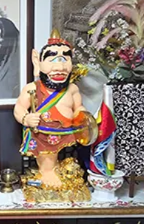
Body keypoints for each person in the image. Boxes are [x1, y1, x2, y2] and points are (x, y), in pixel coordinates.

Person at [13, 29, 94, 187]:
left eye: (65, 59)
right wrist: (26, 118)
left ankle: (60, 171)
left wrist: (82, 116)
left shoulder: (72, 89)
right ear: (37, 62)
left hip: (68, 133)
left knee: (70, 158)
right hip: (43, 134)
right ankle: (47, 173)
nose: (60, 67)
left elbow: (78, 106)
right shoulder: (32, 88)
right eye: (52, 60)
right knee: (47, 155)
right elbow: (19, 107)